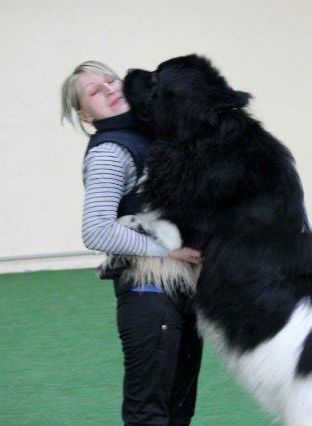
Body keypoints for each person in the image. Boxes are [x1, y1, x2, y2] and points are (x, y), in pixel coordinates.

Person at [61, 61, 203, 426]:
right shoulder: (111, 150)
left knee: (178, 411)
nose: (109, 89)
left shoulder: (156, 135)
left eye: (110, 80)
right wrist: (166, 250)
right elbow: (96, 229)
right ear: (86, 115)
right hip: (149, 292)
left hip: (187, 291)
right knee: (149, 416)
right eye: (95, 91)